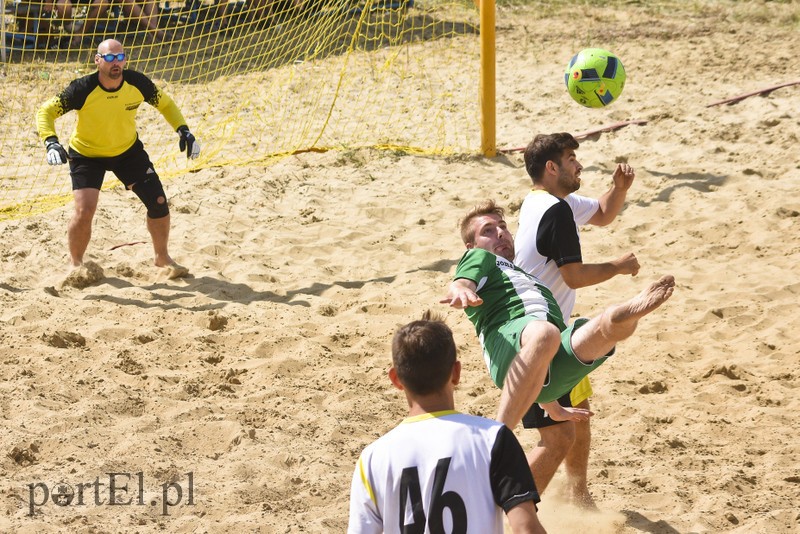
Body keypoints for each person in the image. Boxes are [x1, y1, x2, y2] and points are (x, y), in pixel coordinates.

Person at [441, 200, 674, 433]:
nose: (500, 233)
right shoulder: (480, 258)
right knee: (546, 332)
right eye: (488, 231)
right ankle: (499, 432)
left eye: (503, 226)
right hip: (507, 345)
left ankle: (620, 316)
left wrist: (553, 409)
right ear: (471, 246)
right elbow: (462, 281)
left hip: (546, 371)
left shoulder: (525, 276)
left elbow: (535, 364)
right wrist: (460, 289)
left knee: (606, 331)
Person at [513, 132, 640, 507]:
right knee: (556, 438)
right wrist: (617, 267)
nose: (578, 164)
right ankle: (505, 509)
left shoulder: (543, 201)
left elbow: (602, 213)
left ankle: (578, 495)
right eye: (571, 158)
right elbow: (574, 276)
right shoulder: (556, 213)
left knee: (579, 413)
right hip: (535, 336)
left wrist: (619, 189)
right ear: (551, 168)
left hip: (552, 330)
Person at [348, 311, 546, 534]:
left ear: (396, 379)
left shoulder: (373, 458)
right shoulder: (492, 438)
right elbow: (526, 528)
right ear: (456, 372)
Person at [35, 39, 199, 282]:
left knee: (159, 202)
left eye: (120, 57)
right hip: (87, 154)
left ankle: (162, 257)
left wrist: (183, 130)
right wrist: (51, 141)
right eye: (110, 58)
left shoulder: (137, 82)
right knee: (84, 210)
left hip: (127, 152)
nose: (116, 63)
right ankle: (75, 265)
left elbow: (165, 104)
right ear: (97, 60)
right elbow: (45, 111)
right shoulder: (82, 88)